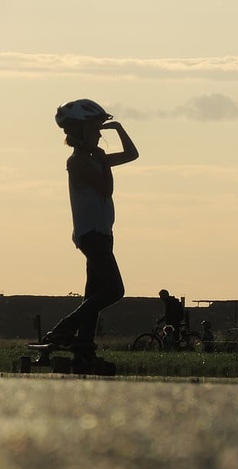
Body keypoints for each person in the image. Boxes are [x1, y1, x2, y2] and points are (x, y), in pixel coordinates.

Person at [43, 99, 139, 364]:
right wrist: (103, 162)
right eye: (96, 130)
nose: (99, 134)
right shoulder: (78, 162)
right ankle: (64, 328)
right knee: (114, 290)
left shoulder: (93, 159)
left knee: (94, 294)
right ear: (82, 132)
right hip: (92, 235)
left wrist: (118, 129)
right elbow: (105, 189)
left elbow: (132, 155)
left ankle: (84, 345)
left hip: (101, 234)